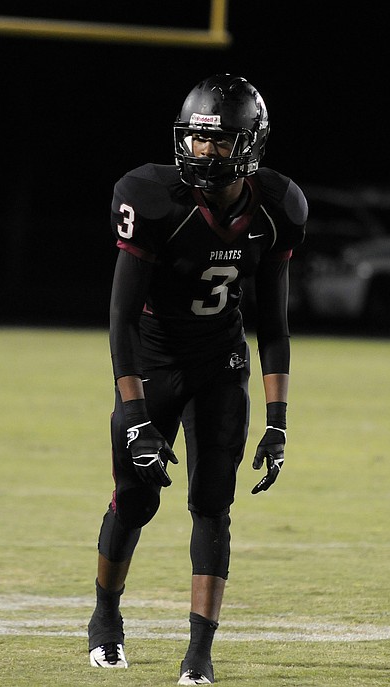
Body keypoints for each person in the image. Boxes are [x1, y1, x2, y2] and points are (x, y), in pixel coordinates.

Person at [87, 73, 307, 685]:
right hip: (153, 361)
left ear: (251, 145)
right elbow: (121, 317)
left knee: (213, 503)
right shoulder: (152, 196)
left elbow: (276, 325)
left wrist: (278, 420)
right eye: (196, 139)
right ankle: (105, 617)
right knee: (137, 499)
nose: (203, 152)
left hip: (219, 364)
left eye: (219, 141)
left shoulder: (277, 208)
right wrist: (134, 419)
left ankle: (199, 653)